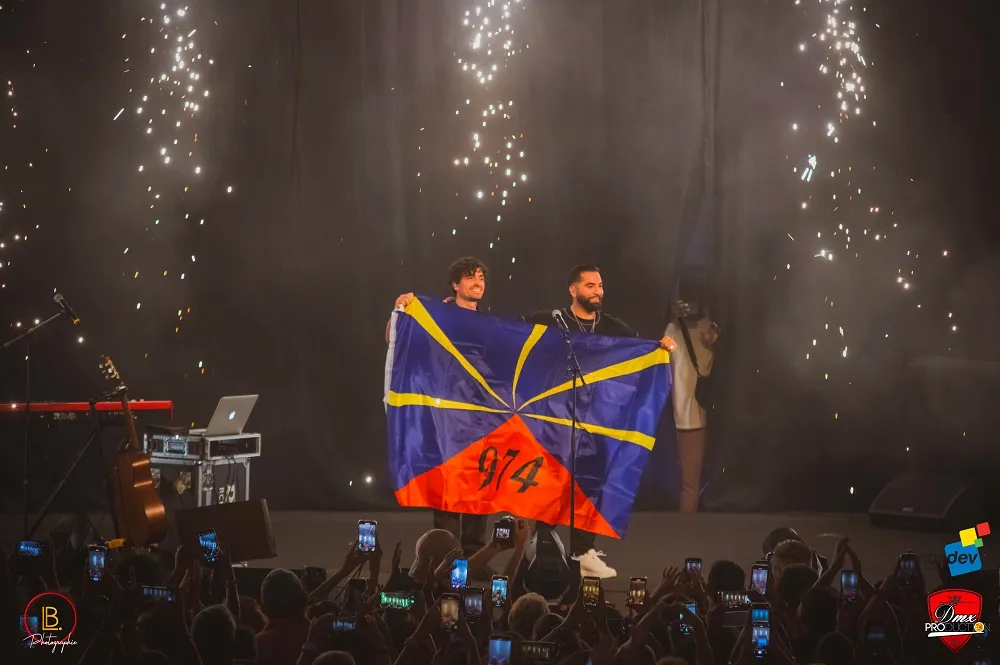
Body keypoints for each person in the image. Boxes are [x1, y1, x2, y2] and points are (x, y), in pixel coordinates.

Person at [523, 264, 678, 579]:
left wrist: (662, 347)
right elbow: (505, 331)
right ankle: (543, 550)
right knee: (551, 485)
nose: (597, 292)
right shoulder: (553, 320)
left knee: (589, 486)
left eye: (600, 286)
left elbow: (641, 351)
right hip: (555, 420)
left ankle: (583, 553)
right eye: (590, 286)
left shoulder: (611, 326)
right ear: (573, 290)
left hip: (596, 423)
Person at [389, 256, 489, 556]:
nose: (478, 282)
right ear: (455, 285)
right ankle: (447, 556)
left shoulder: (491, 324)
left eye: (481, 277)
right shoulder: (435, 315)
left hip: (480, 416)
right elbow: (395, 338)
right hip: (444, 416)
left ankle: (475, 555)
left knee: (478, 486)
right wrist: (400, 309)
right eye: (470, 277)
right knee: (446, 487)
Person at [664, 298, 719, 513]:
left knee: (685, 483)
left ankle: (683, 525)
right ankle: (687, 527)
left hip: (676, 414)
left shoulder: (672, 329)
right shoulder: (708, 329)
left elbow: (663, 357)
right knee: (690, 485)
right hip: (694, 417)